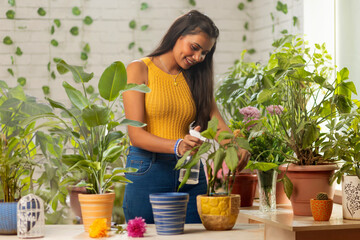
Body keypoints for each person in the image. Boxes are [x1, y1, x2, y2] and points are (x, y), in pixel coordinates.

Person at [122, 10, 250, 224]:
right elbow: (136, 135)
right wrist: (177, 145)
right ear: (178, 35)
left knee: (196, 235)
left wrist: (235, 147)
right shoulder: (140, 69)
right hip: (147, 169)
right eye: (195, 47)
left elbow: (216, 124)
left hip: (189, 170)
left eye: (205, 53)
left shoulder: (196, 78)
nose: (199, 57)